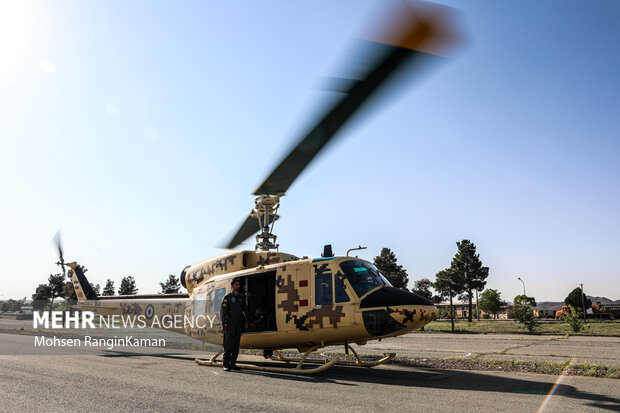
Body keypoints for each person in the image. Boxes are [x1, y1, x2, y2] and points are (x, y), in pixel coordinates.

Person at [220, 277, 251, 371]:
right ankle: (225, 364)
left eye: (239, 285)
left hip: (239, 323)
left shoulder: (241, 297)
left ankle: (233, 363)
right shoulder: (227, 298)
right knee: (228, 344)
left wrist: (250, 321)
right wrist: (223, 325)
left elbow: (246, 311)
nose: (238, 286)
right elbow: (223, 312)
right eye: (236, 285)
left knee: (236, 345)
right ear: (232, 286)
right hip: (230, 323)